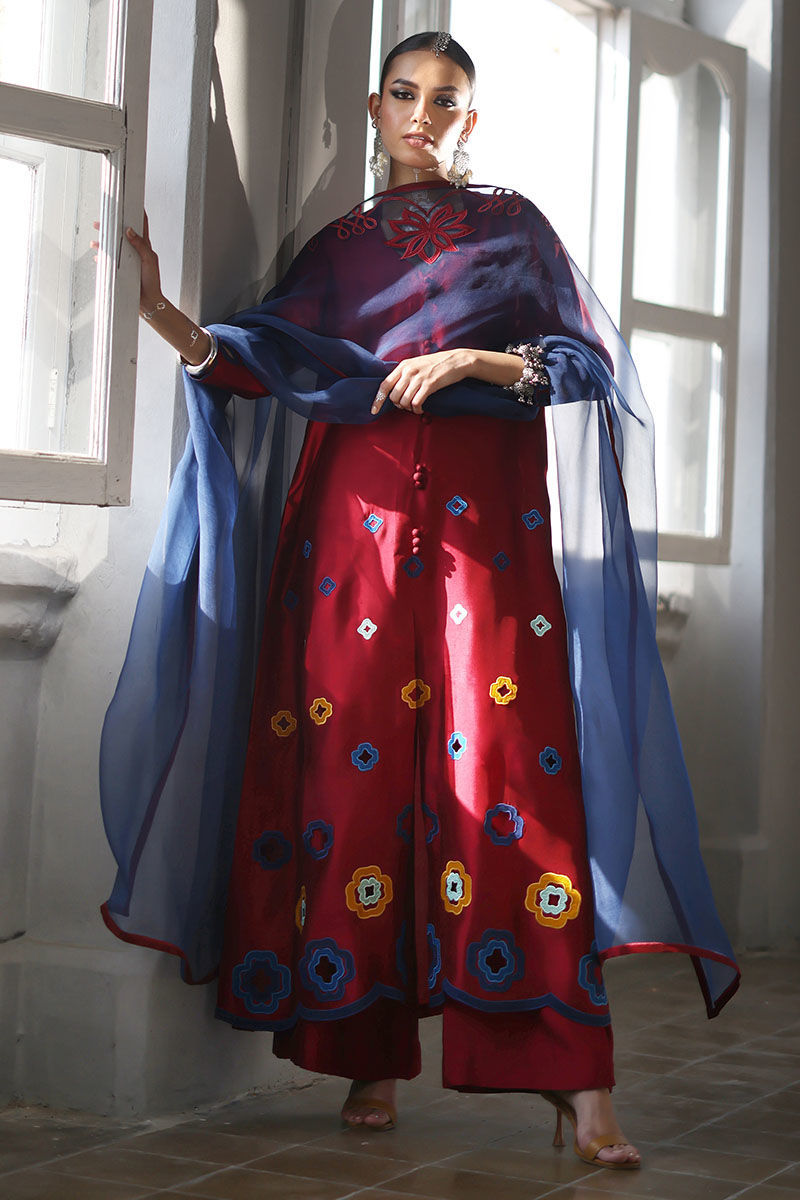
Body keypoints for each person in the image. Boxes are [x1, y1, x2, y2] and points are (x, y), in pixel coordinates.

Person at [101, 31, 740, 1172]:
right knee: (358, 773)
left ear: (469, 120)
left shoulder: (513, 229)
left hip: (488, 540)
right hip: (352, 539)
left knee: (508, 778)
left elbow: (584, 367)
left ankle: (577, 1079)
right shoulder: (340, 248)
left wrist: (472, 364)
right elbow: (263, 361)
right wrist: (161, 315)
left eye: (446, 100)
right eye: (405, 94)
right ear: (374, 106)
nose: (423, 115)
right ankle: (368, 1048)